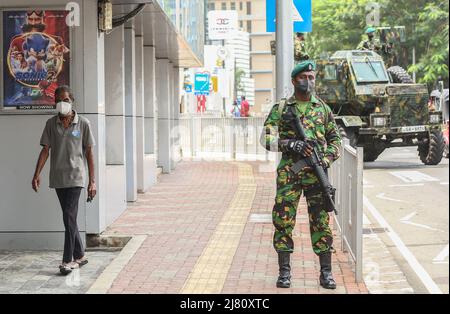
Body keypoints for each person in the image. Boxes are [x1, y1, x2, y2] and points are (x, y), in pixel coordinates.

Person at [261, 60, 341, 289]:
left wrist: (325, 159)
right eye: (304, 77)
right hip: (290, 173)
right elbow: (265, 138)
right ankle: (284, 273)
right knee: (283, 221)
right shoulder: (282, 108)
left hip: (317, 174)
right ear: (294, 80)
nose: (309, 81)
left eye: (312, 77)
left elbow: (335, 140)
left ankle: (326, 273)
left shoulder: (322, 108)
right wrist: (290, 145)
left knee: (321, 222)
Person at [31, 85, 96, 275]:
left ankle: (68, 260)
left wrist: (93, 181)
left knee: (68, 216)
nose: (62, 103)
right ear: (54, 103)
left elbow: (89, 152)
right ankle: (80, 254)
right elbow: (45, 151)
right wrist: (36, 174)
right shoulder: (51, 124)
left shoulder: (83, 123)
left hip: (76, 177)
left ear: (72, 101)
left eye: (66, 100)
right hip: (58, 178)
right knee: (70, 219)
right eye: (59, 100)